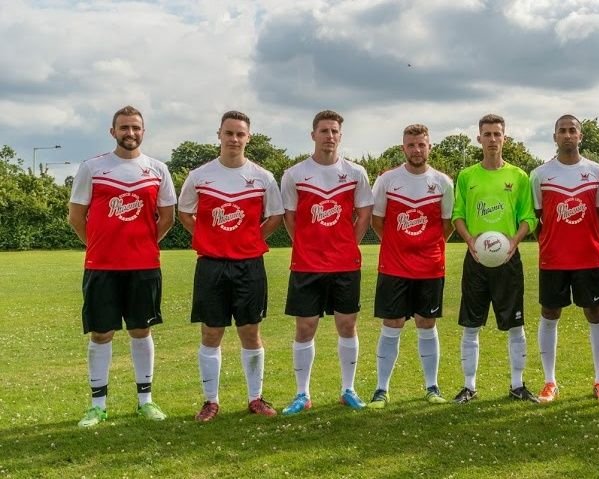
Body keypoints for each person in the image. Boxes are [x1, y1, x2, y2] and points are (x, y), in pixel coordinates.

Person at [68, 105, 176, 427]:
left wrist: (142, 245)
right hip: (102, 265)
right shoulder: (93, 168)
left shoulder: (158, 169)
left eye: (136, 128)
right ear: (112, 131)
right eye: (124, 127)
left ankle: (146, 401)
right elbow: (76, 216)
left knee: (141, 331)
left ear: (143, 131)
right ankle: (97, 405)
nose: (130, 133)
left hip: (143, 265)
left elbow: (167, 218)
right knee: (101, 333)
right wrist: (98, 246)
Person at [178, 110, 284, 421]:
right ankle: (210, 401)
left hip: (249, 265)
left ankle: (255, 398)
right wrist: (210, 238)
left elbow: (275, 216)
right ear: (219, 135)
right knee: (211, 333)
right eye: (229, 133)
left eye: (240, 134)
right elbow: (186, 213)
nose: (234, 139)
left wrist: (248, 238)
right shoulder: (200, 175)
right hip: (211, 265)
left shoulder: (263, 177)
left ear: (248, 137)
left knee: (250, 332)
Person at [279, 110, 373, 414]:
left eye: (334, 131)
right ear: (313, 135)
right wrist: (307, 245)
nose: (329, 136)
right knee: (305, 327)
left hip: (345, 263)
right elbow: (290, 218)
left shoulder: (356, 172)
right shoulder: (294, 174)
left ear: (340, 136)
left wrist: (348, 244)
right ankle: (302, 394)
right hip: (307, 264)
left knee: (347, 325)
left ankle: (348, 389)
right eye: (324, 131)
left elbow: (365, 215)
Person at [366, 124, 455, 408]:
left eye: (421, 145)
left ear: (429, 147)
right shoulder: (388, 180)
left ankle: (432, 386)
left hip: (430, 266)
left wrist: (428, 246)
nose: (416, 150)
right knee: (391, 324)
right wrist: (397, 244)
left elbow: (447, 224)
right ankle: (381, 389)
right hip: (394, 266)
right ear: (403, 147)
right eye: (411, 145)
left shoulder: (443, 182)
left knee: (426, 323)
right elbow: (377, 220)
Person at [451, 114, 539, 404]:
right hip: (476, 259)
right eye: (486, 134)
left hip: (508, 259)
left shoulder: (518, 177)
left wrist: (514, 242)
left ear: (505, 138)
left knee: (515, 325)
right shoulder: (467, 176)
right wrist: (470, 241)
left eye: (496, 134)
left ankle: (517, 385)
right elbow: (458, 216)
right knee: (471, 325)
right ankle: (469, 386)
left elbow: (528, 217)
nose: (492, 139)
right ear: (479, 139)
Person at [529, 114, 599, 402]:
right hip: (553, 258)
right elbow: (537, 218)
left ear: (581, 135)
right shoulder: (539, 174)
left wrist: (586, 236)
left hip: (588, 256)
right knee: (550, 314)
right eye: (562, 131)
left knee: (595, 314)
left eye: (572, 130)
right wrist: (552, 241)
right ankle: (550, 381)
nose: (567, 135)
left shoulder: (597, 172)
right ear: (554, 137)